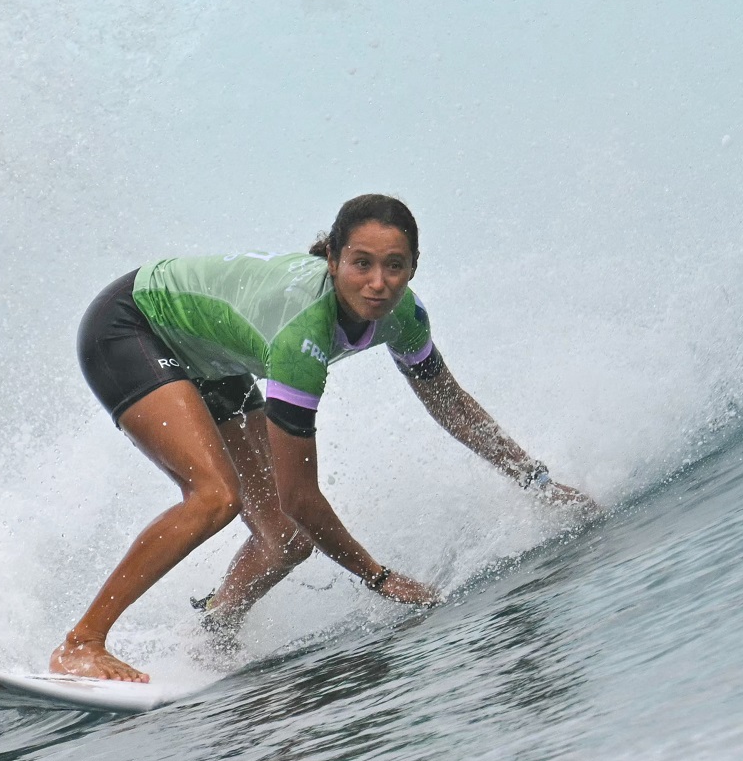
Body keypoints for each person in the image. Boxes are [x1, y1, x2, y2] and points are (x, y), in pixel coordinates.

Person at [52, 193, 598, 682]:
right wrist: (380, 578)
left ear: (413, 268)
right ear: (333, 260)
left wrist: (536, 481)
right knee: (215, 497)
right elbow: (300, 495)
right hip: (133, 325)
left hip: (212, 357)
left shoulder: (404, 316)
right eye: (361, 264)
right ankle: (81, 643)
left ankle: (212, 632)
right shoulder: (302, 337)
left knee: (285, 541)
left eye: (395, 266)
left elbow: (449, 404)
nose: (378, 283)